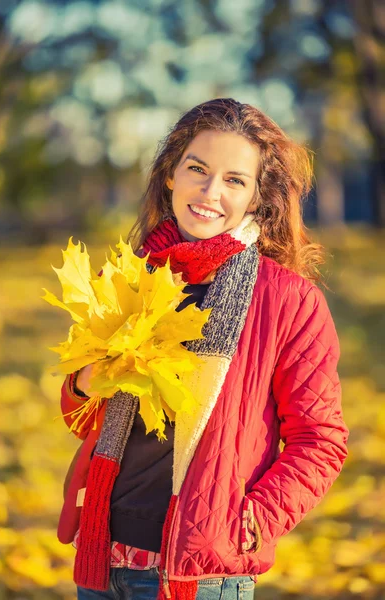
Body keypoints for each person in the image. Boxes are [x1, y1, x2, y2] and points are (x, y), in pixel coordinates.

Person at [57, 98, 349, 600]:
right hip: (103, 558)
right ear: (171, 174)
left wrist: (250, 521)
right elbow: (83, 419)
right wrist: (82, 385)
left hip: (203, 573)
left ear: (258, 197)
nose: (210, 192)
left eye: (235, 180)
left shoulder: (289, 301)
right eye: (198, 169)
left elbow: (321, 440)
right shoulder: (127, 279)